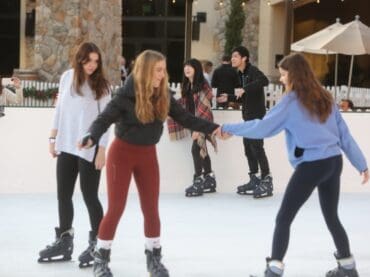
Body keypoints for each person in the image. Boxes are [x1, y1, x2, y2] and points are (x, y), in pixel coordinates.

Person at [221, 53, 369, 277]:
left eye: (283, 75)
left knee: (284, 218)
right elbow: (344, 136)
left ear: (295, 76)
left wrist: (230, 129)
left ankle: (274, 270)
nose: (280, 79)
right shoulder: (325, 97)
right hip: (333, 163)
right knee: (331, 216)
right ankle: (348, 267)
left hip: (312, 166)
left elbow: (264, 128)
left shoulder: (291, 102)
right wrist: (361, 164)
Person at [79, 50, 219, 277]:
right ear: (145, 71)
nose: (163, 75)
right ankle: (101, 259)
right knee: (116, 208)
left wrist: (214, 129)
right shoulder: (125, 96)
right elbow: (103, 120)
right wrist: (91, 136)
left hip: (147, 156)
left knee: (151, 209)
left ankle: (153, 258)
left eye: (164, 70)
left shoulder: (163, 94)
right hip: (121, 155)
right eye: (158, 70)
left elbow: (186, 118)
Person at [38, 42, 111, 268]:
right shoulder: (67, 77)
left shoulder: (102, 86)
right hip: (67, 145)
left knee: (90, 196)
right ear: (79, 59)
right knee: (63, 195)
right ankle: (64, 241)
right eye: (88, 60)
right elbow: (59, 110)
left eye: (96, 61)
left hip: (89, 148)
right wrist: (53, 138)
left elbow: (107, 121)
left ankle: (98, 245)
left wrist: (102, 150)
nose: (92, 65)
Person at [231, 46, 273, 198]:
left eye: (235, 56)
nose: (232, 59)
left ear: (244, 58)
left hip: (256, 117)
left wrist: (245, 89)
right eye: (232, 56)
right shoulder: (240, 74)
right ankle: (254, 178)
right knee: (248, 148)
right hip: (247, 117)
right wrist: (229, 97)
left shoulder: (252, 71)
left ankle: (267, 179)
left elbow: (264, 80)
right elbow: (244, 95)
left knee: (257, 147)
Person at [179, 58, 217, 197]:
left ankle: (198, 180)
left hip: (202, 121)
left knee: (196, 149)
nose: (187, 69)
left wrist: (197, 128)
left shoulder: (203, 85)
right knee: (202, 149)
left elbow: (203, 108)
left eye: (190, 67)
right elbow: (185, 105)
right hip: (192, 121)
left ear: (197, 69)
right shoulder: (188, 85)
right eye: (185, 67)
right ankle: (209, 179)